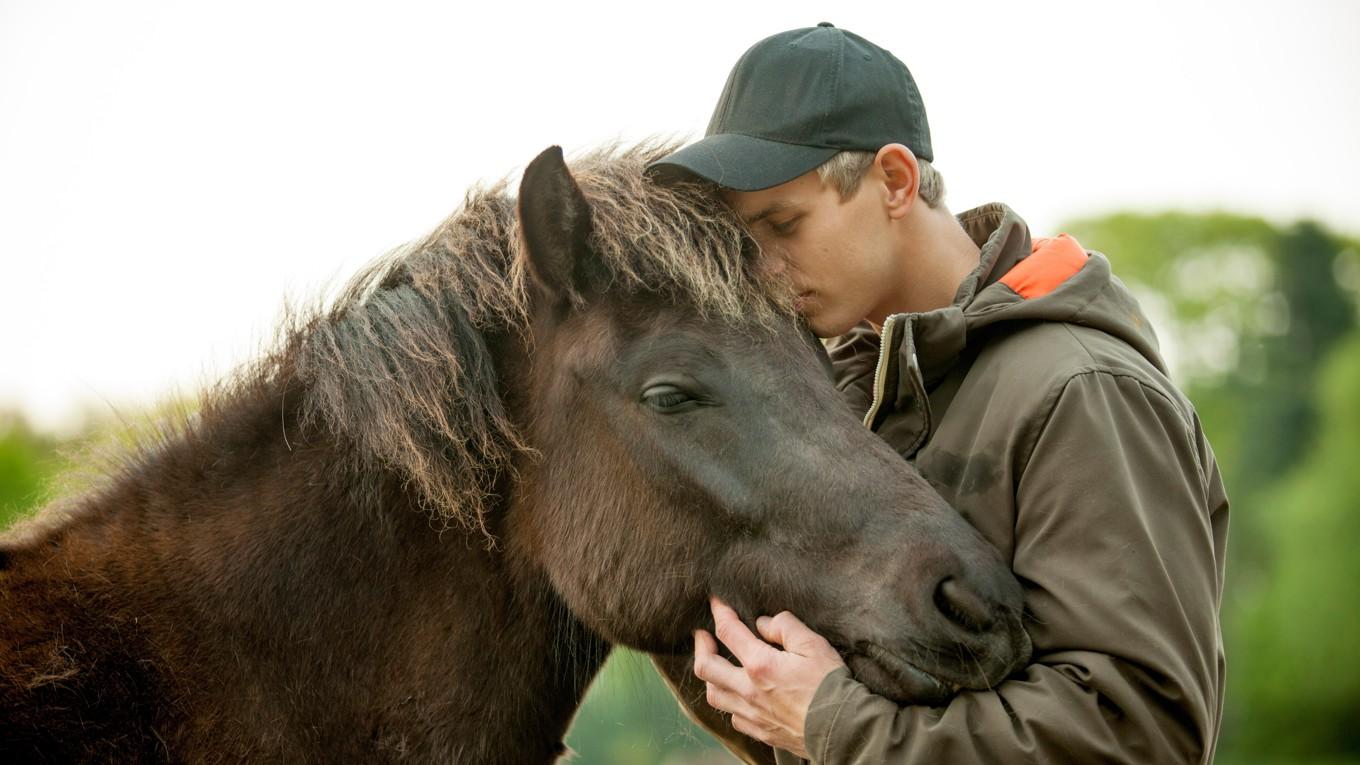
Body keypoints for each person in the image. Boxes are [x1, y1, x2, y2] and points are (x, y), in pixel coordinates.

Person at [647, 23, 1229, 764]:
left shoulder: (1082, 387)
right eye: (745, 240)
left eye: (783, 224)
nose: (761, 269)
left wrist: (833, 724)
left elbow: (1139, 731)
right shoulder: (845, 402)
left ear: (895, 180)